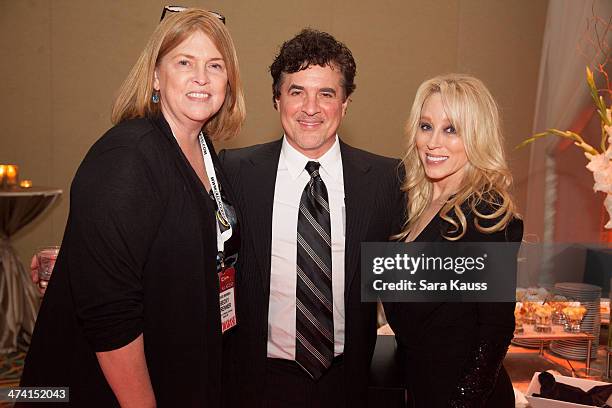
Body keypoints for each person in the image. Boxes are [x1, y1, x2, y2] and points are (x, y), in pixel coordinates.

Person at [18, 8, 245, 407]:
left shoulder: (204, 150)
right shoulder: (129, 154)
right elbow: (110, 315)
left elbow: (161, 247)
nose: (201, 77)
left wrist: (77, 261)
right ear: (156, 76)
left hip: (180, 369)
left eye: (215, 65)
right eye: (184, 62)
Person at [219, 29, 405, 408]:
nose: (310, 107)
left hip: (348, 384)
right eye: (297, 91)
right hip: (257, 384)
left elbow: (411, 281)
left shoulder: (387, 180)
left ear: (345, 103)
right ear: (277, 99)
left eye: (326, 93)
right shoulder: (234, 172)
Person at [383, 74, 523, 408]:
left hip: (463, 397)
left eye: (451, 129)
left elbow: (496, 328)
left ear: (476, 137)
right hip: (418, 386)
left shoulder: (486, 214)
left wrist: (464, 399)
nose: (433, 143)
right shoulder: (411, 203)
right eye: (426, 126)